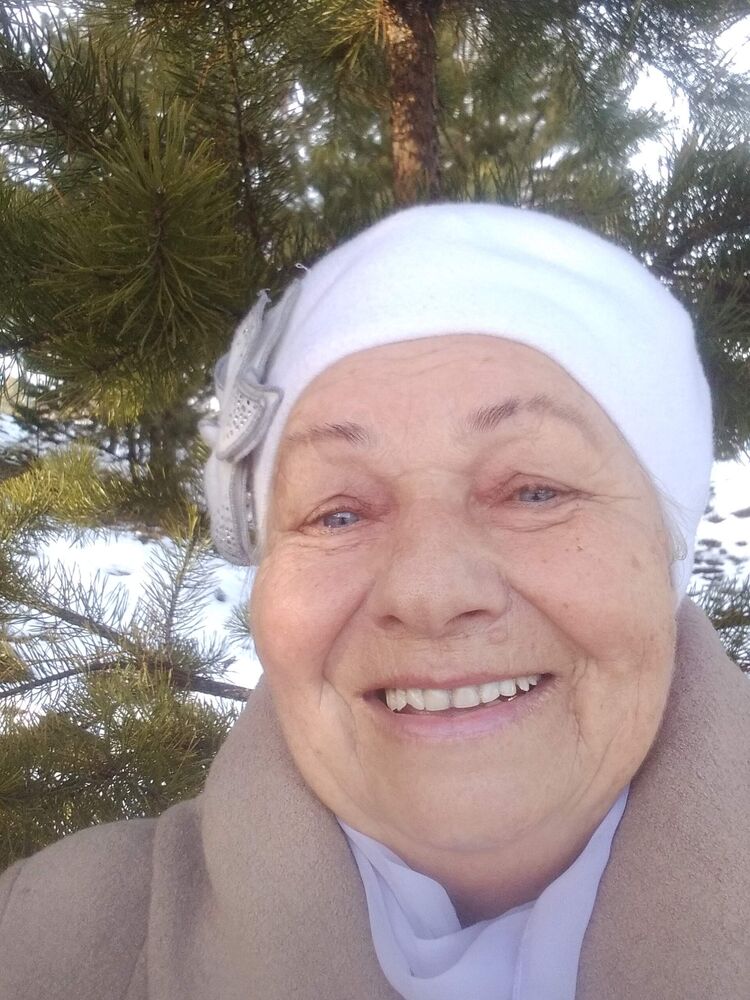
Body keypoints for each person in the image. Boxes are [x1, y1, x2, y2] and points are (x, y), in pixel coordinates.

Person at [0, 204, 748, 1000]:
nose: (428, 593)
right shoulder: (42, 942)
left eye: (534, 492)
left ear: (666, 548)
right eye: (339, 513)